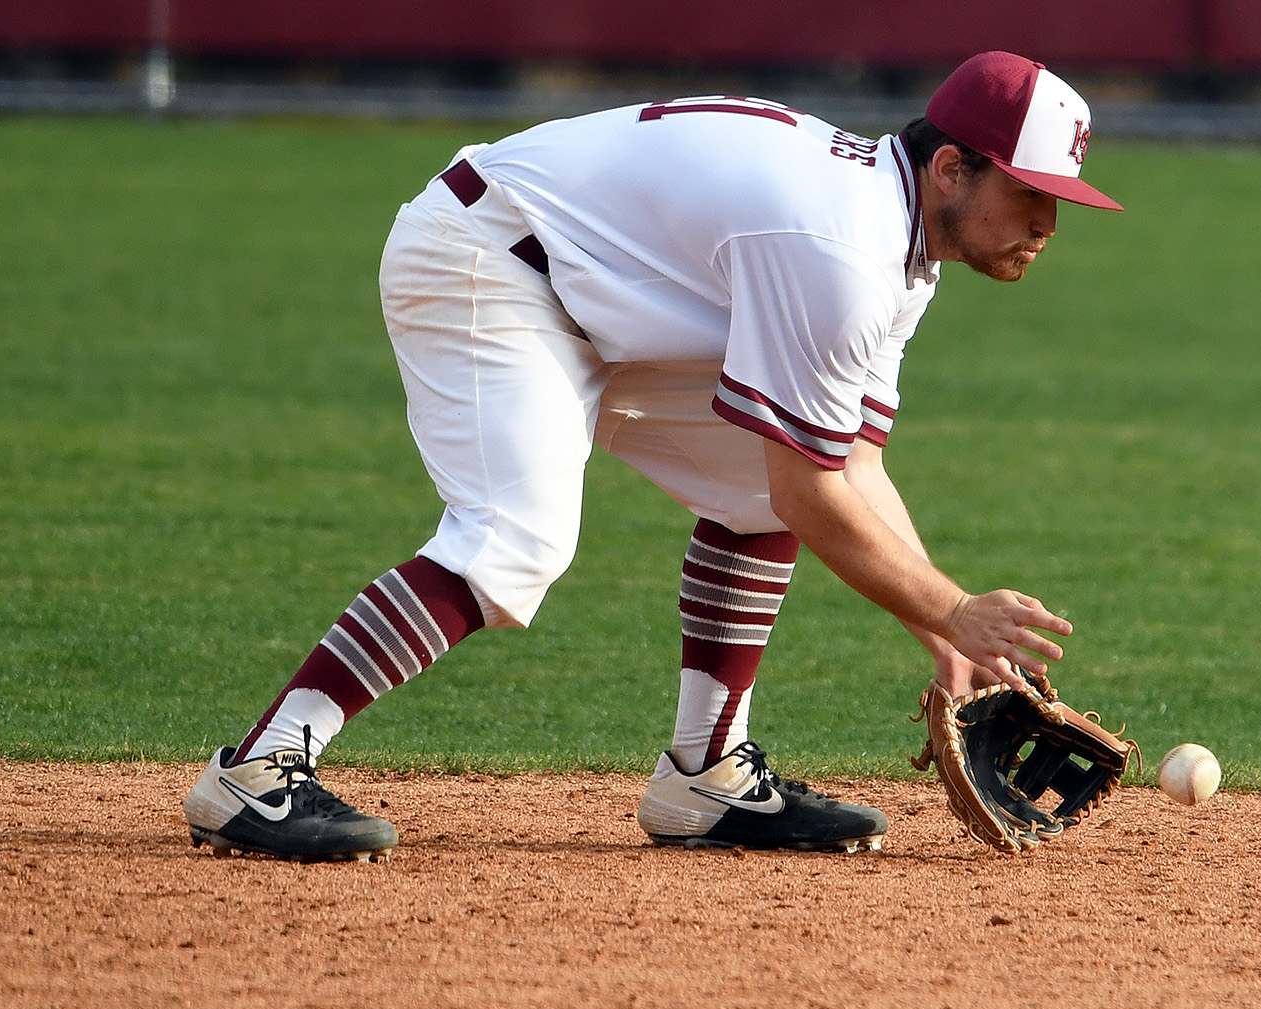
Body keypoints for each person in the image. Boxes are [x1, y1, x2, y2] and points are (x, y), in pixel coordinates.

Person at [182, 50, 1124, 861]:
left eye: (1060, 203)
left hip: (595, 294)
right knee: (516, 541)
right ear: (953, 168)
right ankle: (258, 767)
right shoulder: (840, 248)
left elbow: (852, 463)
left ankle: (704, 776)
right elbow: (816, 495)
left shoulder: (900, 241)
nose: (1047, 226)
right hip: (486, 256)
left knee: (763, 478)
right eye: (1031, 194)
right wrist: (954, 610)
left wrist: (947, 642)